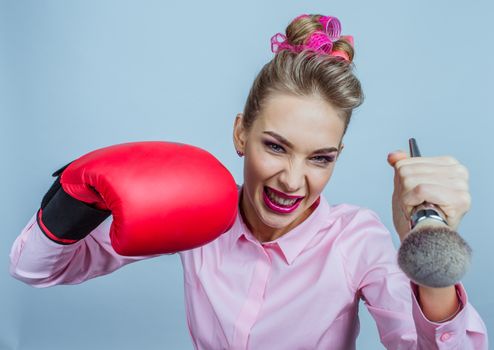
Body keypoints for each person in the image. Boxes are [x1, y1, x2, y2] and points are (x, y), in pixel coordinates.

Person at [9, 13, 488, 349]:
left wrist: (430, 264)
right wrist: (74, 197)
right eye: (275, 146)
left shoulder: (355, 241)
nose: (293, 180)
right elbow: (37, 270)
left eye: (320, 158)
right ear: (241, 133)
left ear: (337, 158)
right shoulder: (198, 215)